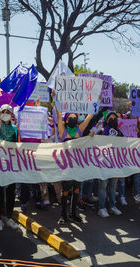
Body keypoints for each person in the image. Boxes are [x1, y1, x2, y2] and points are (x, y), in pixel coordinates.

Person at [53, 96, 94, 224]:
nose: (73, 119)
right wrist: (55, 98)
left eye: (74, 117)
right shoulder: (62, 131)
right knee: (65, 191)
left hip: (77, 166)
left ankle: (74, 213)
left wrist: (96, 101)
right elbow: (59, 115)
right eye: (70, 117)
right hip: (66, 166)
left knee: (77, 190)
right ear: (66, 121)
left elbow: (90, 116)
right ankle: (63, 215)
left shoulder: (79, 130)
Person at [96, 110, 123, 218]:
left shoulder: (119, 132)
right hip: (104, 163)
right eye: (110, 118)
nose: (113, 120)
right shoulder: (101, 131)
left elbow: (126, 144)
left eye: (115, 118)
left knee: (113, 186)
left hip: (115, 163)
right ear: (106, 120)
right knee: (103, 186)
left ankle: (112, 206)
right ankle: (101, 208)